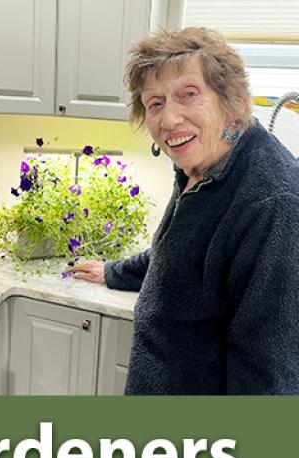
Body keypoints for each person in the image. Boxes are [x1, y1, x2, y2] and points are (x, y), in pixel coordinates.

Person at [69, 27, 299, 394]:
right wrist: (113, 271)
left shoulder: (273, 206)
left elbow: (268, 381)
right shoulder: (204, 166)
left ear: (235, 99)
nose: (169, 119)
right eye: (155, 103)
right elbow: (181, 257)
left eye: (188, 95)